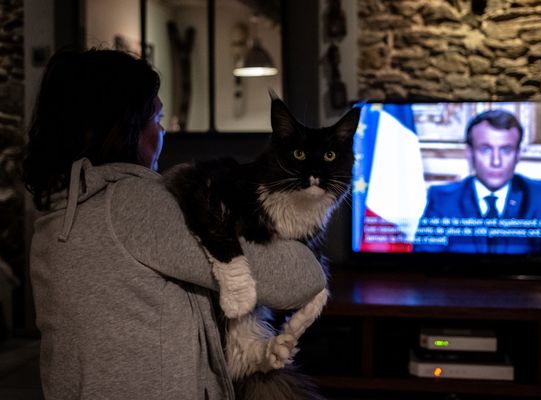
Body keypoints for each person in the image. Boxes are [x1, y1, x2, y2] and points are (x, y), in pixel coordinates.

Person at [21, 48, 326, 399]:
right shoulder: (133, 204)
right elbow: (300, 280)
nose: (162, 131)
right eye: (157, 118)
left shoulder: (58, 211)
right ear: (126, 128)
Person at [414, 109, 541, 256]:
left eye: (506, 150)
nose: (496, 161)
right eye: (485, 149)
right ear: (469, 153)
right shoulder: (443, 198)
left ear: (517, 155)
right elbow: (425, 264)